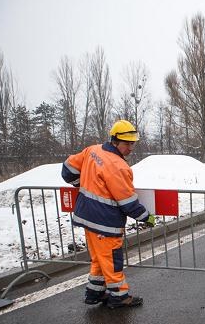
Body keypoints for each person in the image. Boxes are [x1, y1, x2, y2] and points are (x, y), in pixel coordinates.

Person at [61, 119, 155, 309]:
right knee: (112, 260)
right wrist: (146, 217)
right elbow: (128, 202)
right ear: (115, 140)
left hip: (87, 218)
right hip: (105, 223)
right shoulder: (119, 167)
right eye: (127, 143)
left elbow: (67, 169)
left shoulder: (92, 150)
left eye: (132, 143)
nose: (131, 148)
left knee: (99, 258)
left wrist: (79, 182)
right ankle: (120, 296)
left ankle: (95, 293)